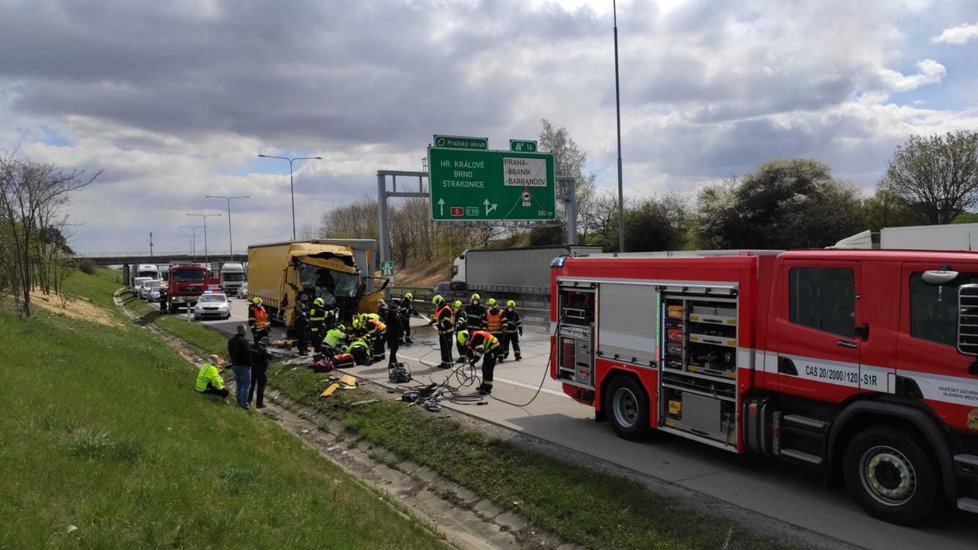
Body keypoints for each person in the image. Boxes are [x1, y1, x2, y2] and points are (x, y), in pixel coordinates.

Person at [457, 330, 499, 395]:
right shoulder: (472, 339)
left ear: (466, 338)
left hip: (493, 347)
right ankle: (484, 386)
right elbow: (474, 351)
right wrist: (471, 358)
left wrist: (474, 361)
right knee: (484, 367)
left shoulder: (476, 338)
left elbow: (480, 350)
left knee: (488, 368)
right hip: (489, 350)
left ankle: (487, 389)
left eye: (465, 343)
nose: (466, 345)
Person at [227, 324, 253, 409]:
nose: (246, 332)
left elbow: (230, 353)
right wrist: (250, 363)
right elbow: (247, 354)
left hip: (235, 365)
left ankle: (238, 400)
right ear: (243, 331)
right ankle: (243, 403)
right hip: (243, 366)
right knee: (246, 385)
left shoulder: (231, 341)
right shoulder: (244, 341)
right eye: (245, 330)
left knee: (239, 384)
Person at [428, 295, 454, 368]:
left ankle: (449, 363)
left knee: (447, 348)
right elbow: (436, 317)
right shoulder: (439, 309)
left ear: (439, 301)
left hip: (447, 332)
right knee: (443, 348)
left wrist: (438, 325)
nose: (435, 304)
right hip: (442, 333)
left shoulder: (446, 309)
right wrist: (431, 322)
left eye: (435, 303)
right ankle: (444, 362)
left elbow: (446, 322)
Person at [249, 337, 273, 409]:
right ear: (265, 342)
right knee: (261, 386)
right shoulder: (263, 349)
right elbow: (270, 357)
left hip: (251, 367)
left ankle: (248, 401)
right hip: (260, 369)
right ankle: (259, 404)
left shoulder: (251, 346)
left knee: (251, 385)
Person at [385, 301, 402, 367]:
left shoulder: (389, 311)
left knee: (393, 347)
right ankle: (391, 363)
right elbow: (398, 322)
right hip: (394, 332)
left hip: (389, 331)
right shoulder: (394, 312)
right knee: (394, 348)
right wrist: (402, 328)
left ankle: (393, 362)